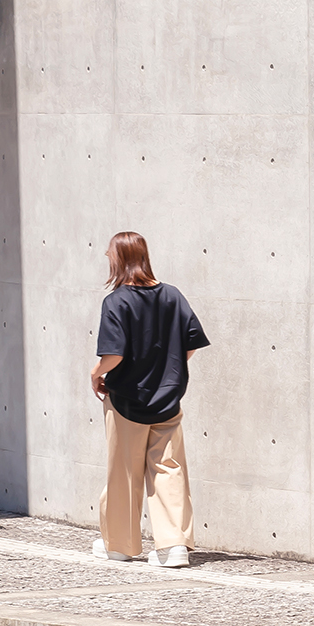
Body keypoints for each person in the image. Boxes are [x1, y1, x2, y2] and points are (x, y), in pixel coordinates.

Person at [90, 232, 210, 569]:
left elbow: (113, 355)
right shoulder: (172, 296)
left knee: (123, 472)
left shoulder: (117, 302)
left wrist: (95, 374)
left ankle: (120, 546)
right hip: (168, 400)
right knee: (168, 469)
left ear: (121, 258)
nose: (106, 255)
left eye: (110, 253)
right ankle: (173, 546)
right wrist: (166, 370)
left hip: (126, 400)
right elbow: (190, 344)